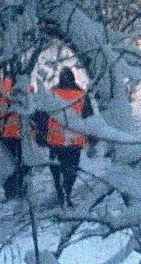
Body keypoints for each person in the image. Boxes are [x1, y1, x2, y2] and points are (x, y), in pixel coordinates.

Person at [46, 67, 94, 207]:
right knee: (71, 170)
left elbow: (43, 116)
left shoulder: (52, 94)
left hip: (55, 142)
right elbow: (88, 117)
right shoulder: (81, 95)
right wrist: (91, 138)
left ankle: (60, 192)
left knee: (56, 169)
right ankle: (67, 192)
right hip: (75, 141)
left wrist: (41, 135)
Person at [0, 74, 33, 200]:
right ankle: (19, 189)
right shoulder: (26, 88)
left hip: (3, 134)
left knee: (6, 165)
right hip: (19, 135)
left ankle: (10, 191)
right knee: (20, 163)